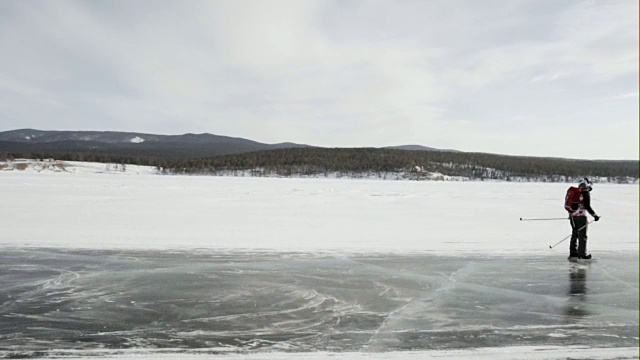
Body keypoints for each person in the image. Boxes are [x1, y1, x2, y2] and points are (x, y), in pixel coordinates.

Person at [564, 178, 600, 259]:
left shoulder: (576, 192)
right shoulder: (585, 193)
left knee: (574, 233)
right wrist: (595, 215)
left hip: (572, 216)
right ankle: (582, 254)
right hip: (581, 217)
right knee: (582, 235)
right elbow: (587, 206)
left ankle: (573, 252)